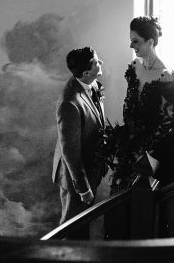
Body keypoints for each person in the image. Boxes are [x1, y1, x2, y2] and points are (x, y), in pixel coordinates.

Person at [112, 16, 174, 191]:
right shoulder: (134, 66)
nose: (131, 46)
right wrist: (129, 139)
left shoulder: (165, 75)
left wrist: (144, 149)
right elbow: (128, 105)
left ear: (150, 42)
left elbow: (167, 122)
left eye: (136, 41)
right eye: (131, 41)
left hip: (154, 151)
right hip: (131, 144)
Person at [52, 47, 106, 227]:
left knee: (83, 223)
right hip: (75, 177)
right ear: (86, 72)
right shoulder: (69, 103)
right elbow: (70, 150)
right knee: (71, 227)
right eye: (97, 62)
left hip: (91, 169)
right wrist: (83, 189)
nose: (101, 63)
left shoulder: (93, 85)